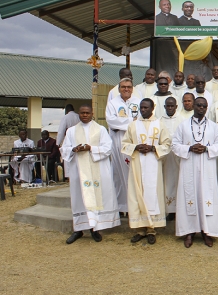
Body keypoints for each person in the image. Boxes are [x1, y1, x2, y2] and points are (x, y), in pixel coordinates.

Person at [62, 104, 121, 244]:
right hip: (79, 171)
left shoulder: (100, 129)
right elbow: (64, 149)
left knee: (95, 198)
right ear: (79, 114)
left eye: (87, 113)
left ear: (92, 113)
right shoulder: (71, 131)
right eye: (82, 113)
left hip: (97, 170)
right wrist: (73, 149)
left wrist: (91, 148)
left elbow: (108, 148)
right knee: (79, 199)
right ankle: (78, 229)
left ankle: (94, 229)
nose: (84, 115)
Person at [172, 97, 218, 248]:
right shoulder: (183, 126)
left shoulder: (214, 127)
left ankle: (206, 231)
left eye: (204, 106)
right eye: (199, 105)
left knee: (206, 196)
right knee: (189, 196)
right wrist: (189, 148)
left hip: (207, 167)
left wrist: (207, 149)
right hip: (189, 166)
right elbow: (174, 145)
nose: (201, 108)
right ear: (193, 106)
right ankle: (189, 232)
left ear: (207, 108)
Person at [121, 99, 171, 245]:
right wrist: (136, 147)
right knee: (137, 194)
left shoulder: (159, 125)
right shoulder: (133, 125)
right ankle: (139, 229)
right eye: (141, 108)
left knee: (151, 195)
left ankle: (151, 229)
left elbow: (167, 144)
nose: (143, 110)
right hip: (137, 165)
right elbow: (124, 143)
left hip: (153, 164)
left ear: (152, 108)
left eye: (146, 107)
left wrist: (153, 148)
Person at [105, 78, 141, 213]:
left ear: (132, 88)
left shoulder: (138, 102)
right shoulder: (112, 104)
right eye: (124, 87)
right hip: (118, 142)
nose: (126, 89)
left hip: (134, 141)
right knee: (119, 174)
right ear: (119, 89)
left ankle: (134, 206)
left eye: (129, 87)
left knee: (133, 173)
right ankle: (121, 207)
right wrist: (132, 121)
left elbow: (142, 120)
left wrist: (123, 122)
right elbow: (111, 121)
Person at [159, 97, 181, 221]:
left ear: (176, 107)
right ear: (165, 107)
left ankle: (179, 209)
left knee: (179, 180)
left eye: (172, 106)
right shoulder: (160, 121)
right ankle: (169, 210)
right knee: (167, 181)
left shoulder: (182, 120)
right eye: (168, 106)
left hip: (178, 156)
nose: (170, 108)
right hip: (166, 156)